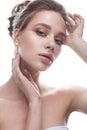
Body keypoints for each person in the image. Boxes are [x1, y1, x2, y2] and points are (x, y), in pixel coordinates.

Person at [0, 0, 87, 130]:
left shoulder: (67, 96)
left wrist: (78, 43)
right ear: (17, 36)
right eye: (41, 32)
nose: (52, 45)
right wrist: (34, 104)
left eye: (59, 40)